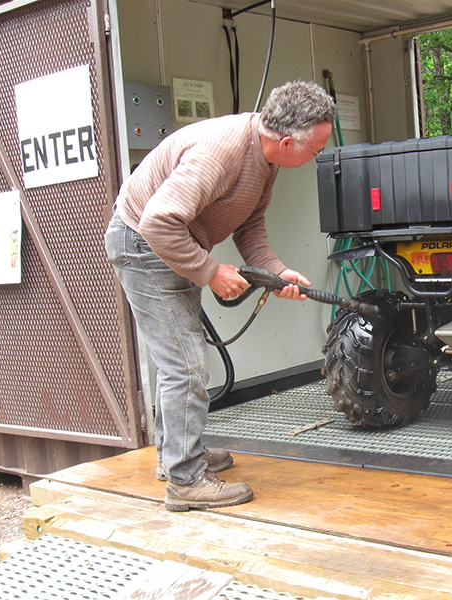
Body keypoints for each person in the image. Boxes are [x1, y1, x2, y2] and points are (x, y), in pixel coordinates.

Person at [105, 80, 336, 512]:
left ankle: (177, 453)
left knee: (184, 360)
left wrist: (277, 271)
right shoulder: (221, 152)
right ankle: (185, 479)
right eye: (316, 151)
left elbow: (250, 227)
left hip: (173, 245)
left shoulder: (266, 160)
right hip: (143, 244)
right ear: (287, 141)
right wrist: (210, 271)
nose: (316, 158)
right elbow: (158, 223)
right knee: (186, 364)